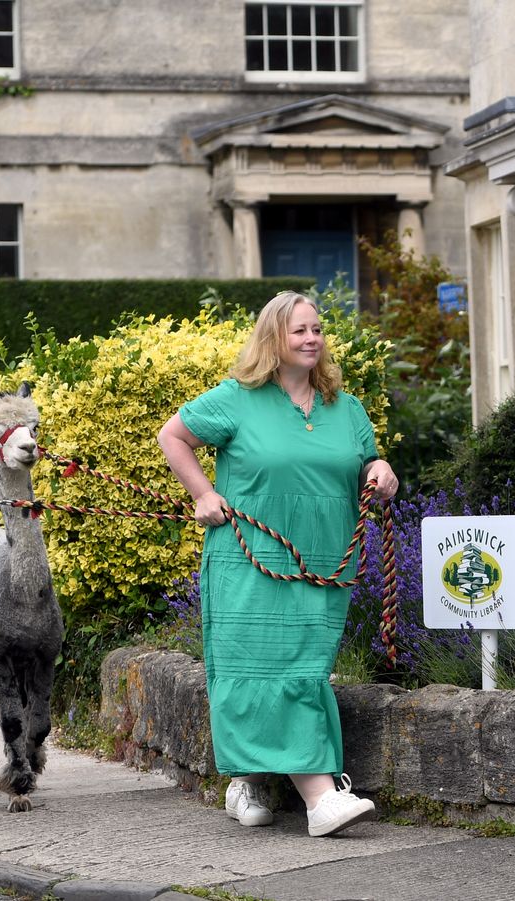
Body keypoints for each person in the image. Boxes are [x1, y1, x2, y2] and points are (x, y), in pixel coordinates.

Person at [157, 290, 399, 837]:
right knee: (261, 669)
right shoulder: (236, 399)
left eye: (316, 329)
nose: (312, 338)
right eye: (299, 331)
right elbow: (173, 436)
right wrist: (202, 494)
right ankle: (321, 798)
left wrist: (382, 473)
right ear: (274, 339)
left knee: (304, 671)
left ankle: (246, 780)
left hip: (325, 564)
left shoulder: (346, 407)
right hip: (250, 559)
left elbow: (369, 461)